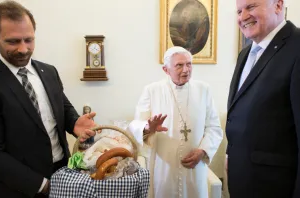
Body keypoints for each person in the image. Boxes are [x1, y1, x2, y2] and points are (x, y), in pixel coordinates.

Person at [0, 2, 97, 197]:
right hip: (16, 187)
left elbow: (62, 107)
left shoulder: (48, 71)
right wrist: (42, 186)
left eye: (29, 40)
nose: (23, 49)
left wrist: (74, 123)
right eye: (13, 41)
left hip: (62, 174)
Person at [226, 0, 300, 197]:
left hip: (276, 187)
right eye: (239, 11)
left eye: (251, 7)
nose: (242, 17)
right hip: (243, 183)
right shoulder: (245, 54)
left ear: (277, 5)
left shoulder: (297, 47)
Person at [128, 46, 223, 198]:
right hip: (163, 167)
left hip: (195, 167)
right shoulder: (152, 90)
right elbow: (135, 124)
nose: (186, 70)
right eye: (179, 65)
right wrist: (148, 127)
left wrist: (203, 151)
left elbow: (214, 127)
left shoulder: (203, 90)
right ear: (166, 70)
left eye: (189, 64)